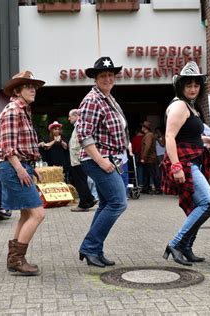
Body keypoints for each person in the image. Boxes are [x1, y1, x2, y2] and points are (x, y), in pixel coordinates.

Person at [162, 61, 210, 266]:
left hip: (193, 160)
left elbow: (189, 137)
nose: (193, 88)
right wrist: (176, 166)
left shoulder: (191, 106)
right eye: (188, 85)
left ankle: (187, 247)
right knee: (208, 203)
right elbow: (170, 137)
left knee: (200, 205)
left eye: (196, 85)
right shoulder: (179, 105)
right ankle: (177, 244)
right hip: (186, 163)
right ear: (181, 86)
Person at [76, 56, 129, 268]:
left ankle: (94, 250)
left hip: (110, 158)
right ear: (96, 78)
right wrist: (101, 161)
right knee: (118, 202)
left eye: (110, 75)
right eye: (103, 75)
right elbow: (83, 134)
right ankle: (89, 247)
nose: (107, 78)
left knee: (107, 203)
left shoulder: (107, 98)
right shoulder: (92, 100)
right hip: (95, 158)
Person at [0, 70, 46, 275]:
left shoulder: (23, 110)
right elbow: (8, 147)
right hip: (12, 167)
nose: (32, 90)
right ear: (17, 91)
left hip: (19, 166)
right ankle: (17, 259)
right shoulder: (13, 110)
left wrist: (30, 169)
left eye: (33, 86)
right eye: (27, 86)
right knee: (38, 213)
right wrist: (20, 169)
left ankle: (13, 259)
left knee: (26, 214)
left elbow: (20, 146)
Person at [67, 109, 97, 212]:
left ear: (76, 116)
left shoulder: (79, 126)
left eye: (70, 116)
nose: (69, 118)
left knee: (80, 182)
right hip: (77, 159)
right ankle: (89, 199)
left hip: (78, 159)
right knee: (81, 181)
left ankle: (84, 204)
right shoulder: (77, 126)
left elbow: (82, 142)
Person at [140, 121, 161, 194]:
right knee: (147, 174)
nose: (141, 128)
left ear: (145, 128)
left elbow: (147, 147)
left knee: (152, 173)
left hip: (149, 158)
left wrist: (143, 157)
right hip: (149, 158)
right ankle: (145, 188)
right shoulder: (149, 135)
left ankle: (158, 188)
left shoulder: (148, 135)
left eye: (142, 126)